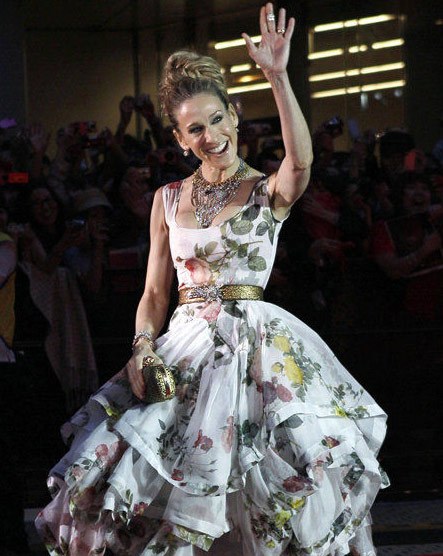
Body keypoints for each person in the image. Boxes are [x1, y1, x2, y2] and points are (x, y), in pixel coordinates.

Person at [35, 4, 388, 555]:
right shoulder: (166, 199)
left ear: (234, 117)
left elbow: (301, 163)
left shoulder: (268, 190)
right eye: (195, 128)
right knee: (161, 490)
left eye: (218, 119)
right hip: (184, 353)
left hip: (256, 354)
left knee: (262, 490)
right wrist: (142, 348)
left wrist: (277, 76)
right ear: (180, 139)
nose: (211, 135)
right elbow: (156, 292)